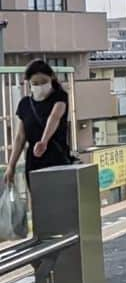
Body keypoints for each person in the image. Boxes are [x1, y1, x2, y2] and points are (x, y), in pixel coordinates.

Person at [4, 60, 74, 202]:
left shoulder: (60, 97)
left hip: (57, 158)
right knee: (40, 204)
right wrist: (11, 165)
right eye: (35, 83)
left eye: (43, 81)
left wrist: (44, 141)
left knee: (60, 202)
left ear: (52, 78)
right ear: (29, 83)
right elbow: (19, 138)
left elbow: (54, 117)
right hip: (33, 162)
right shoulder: (24, 104)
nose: (39, 86)